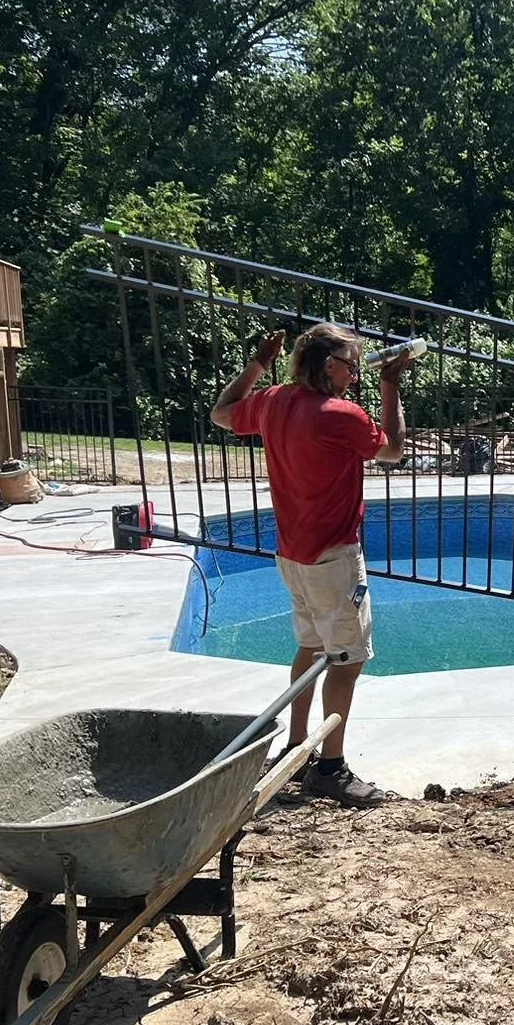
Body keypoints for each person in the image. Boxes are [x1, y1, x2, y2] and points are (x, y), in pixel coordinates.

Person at [211, 322, 412, 806]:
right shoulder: (338, 414)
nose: (355, 375)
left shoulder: (273, 400)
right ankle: (330, 768)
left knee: (310, 648)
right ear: (328, 365)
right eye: (350, 365)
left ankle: (296, 750)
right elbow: (393, 450)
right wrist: (391, 384)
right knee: (348, 659)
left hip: (293, 555)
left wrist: (258, 362)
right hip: (332, 558)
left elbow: (221, 413)